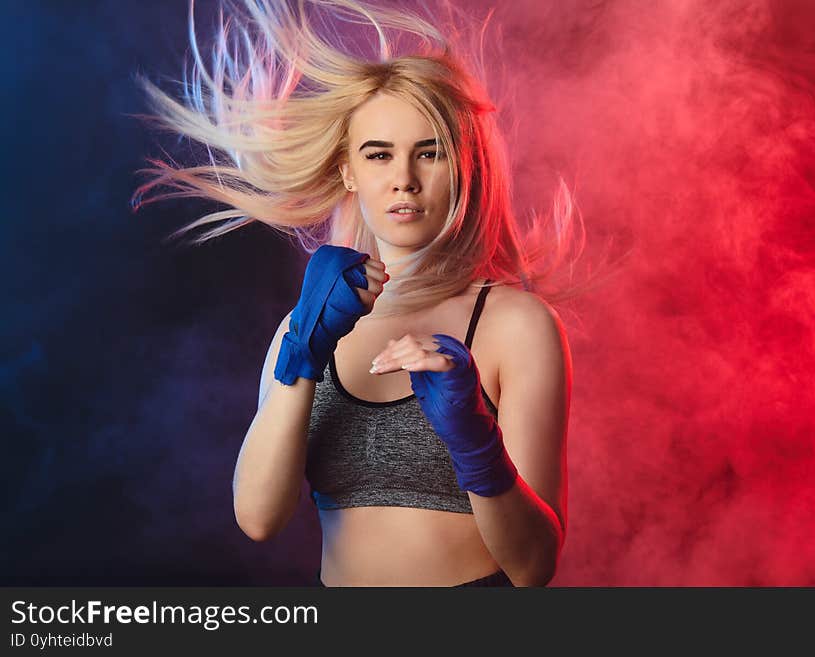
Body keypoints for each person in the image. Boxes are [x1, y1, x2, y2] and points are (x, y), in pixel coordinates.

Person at [132, 0, 591, 587]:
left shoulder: (515, 324)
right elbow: (257, 517)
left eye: (431, 152)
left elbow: (533, 567)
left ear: (466, 165)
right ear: (349, 169)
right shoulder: (310, 322)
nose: (405, 177)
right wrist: (303, 351)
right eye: (379, 154)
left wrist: (475, 439)